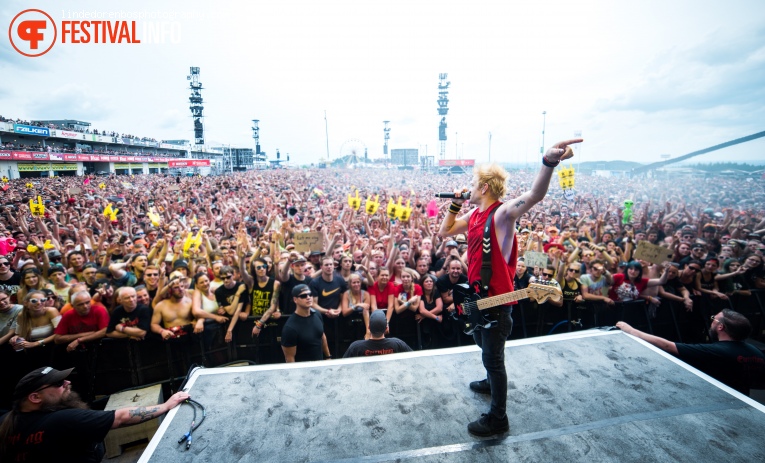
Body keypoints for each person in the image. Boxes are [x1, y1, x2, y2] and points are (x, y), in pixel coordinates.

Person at [439, 138, 582, 437]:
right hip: (479, 297)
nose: (471, 187)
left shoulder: (502, 214)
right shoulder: (473, 215)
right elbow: (445, 231)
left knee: (493, 357)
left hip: (498, 300)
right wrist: (454, 204)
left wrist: (548, 163)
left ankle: (498, 418)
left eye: (474, 183)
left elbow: (535, 195)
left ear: (484, 188)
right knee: (480, 342)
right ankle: (491, 383)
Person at [0, 366, 190, 462]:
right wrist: (165, 406)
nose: (67, 383)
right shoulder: (61, 420)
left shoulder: (6, 422)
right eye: (58, 384)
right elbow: (121, 417)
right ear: (34, 397)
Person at [616, 309, 765, 395]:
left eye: (714, 319)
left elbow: (668, 346)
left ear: (720, 327)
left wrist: (630, 330)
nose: (711, 321)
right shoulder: (757, 353)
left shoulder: (716, 351)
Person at [281, 284, 331, 362]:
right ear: (295, 300)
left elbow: (322, 336)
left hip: (320, 367)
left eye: (310, 294)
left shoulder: (317, 314)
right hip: (303, 371)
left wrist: (328, 357)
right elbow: (290, 359)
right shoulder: (290, 328)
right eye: (303, 296)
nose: (308, 297)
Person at [343, 310, 413, 357]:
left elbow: (342, 367)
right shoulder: (397, 344)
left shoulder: (356, 347)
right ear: (387, 328)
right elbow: (414, 359)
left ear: (368, 328)